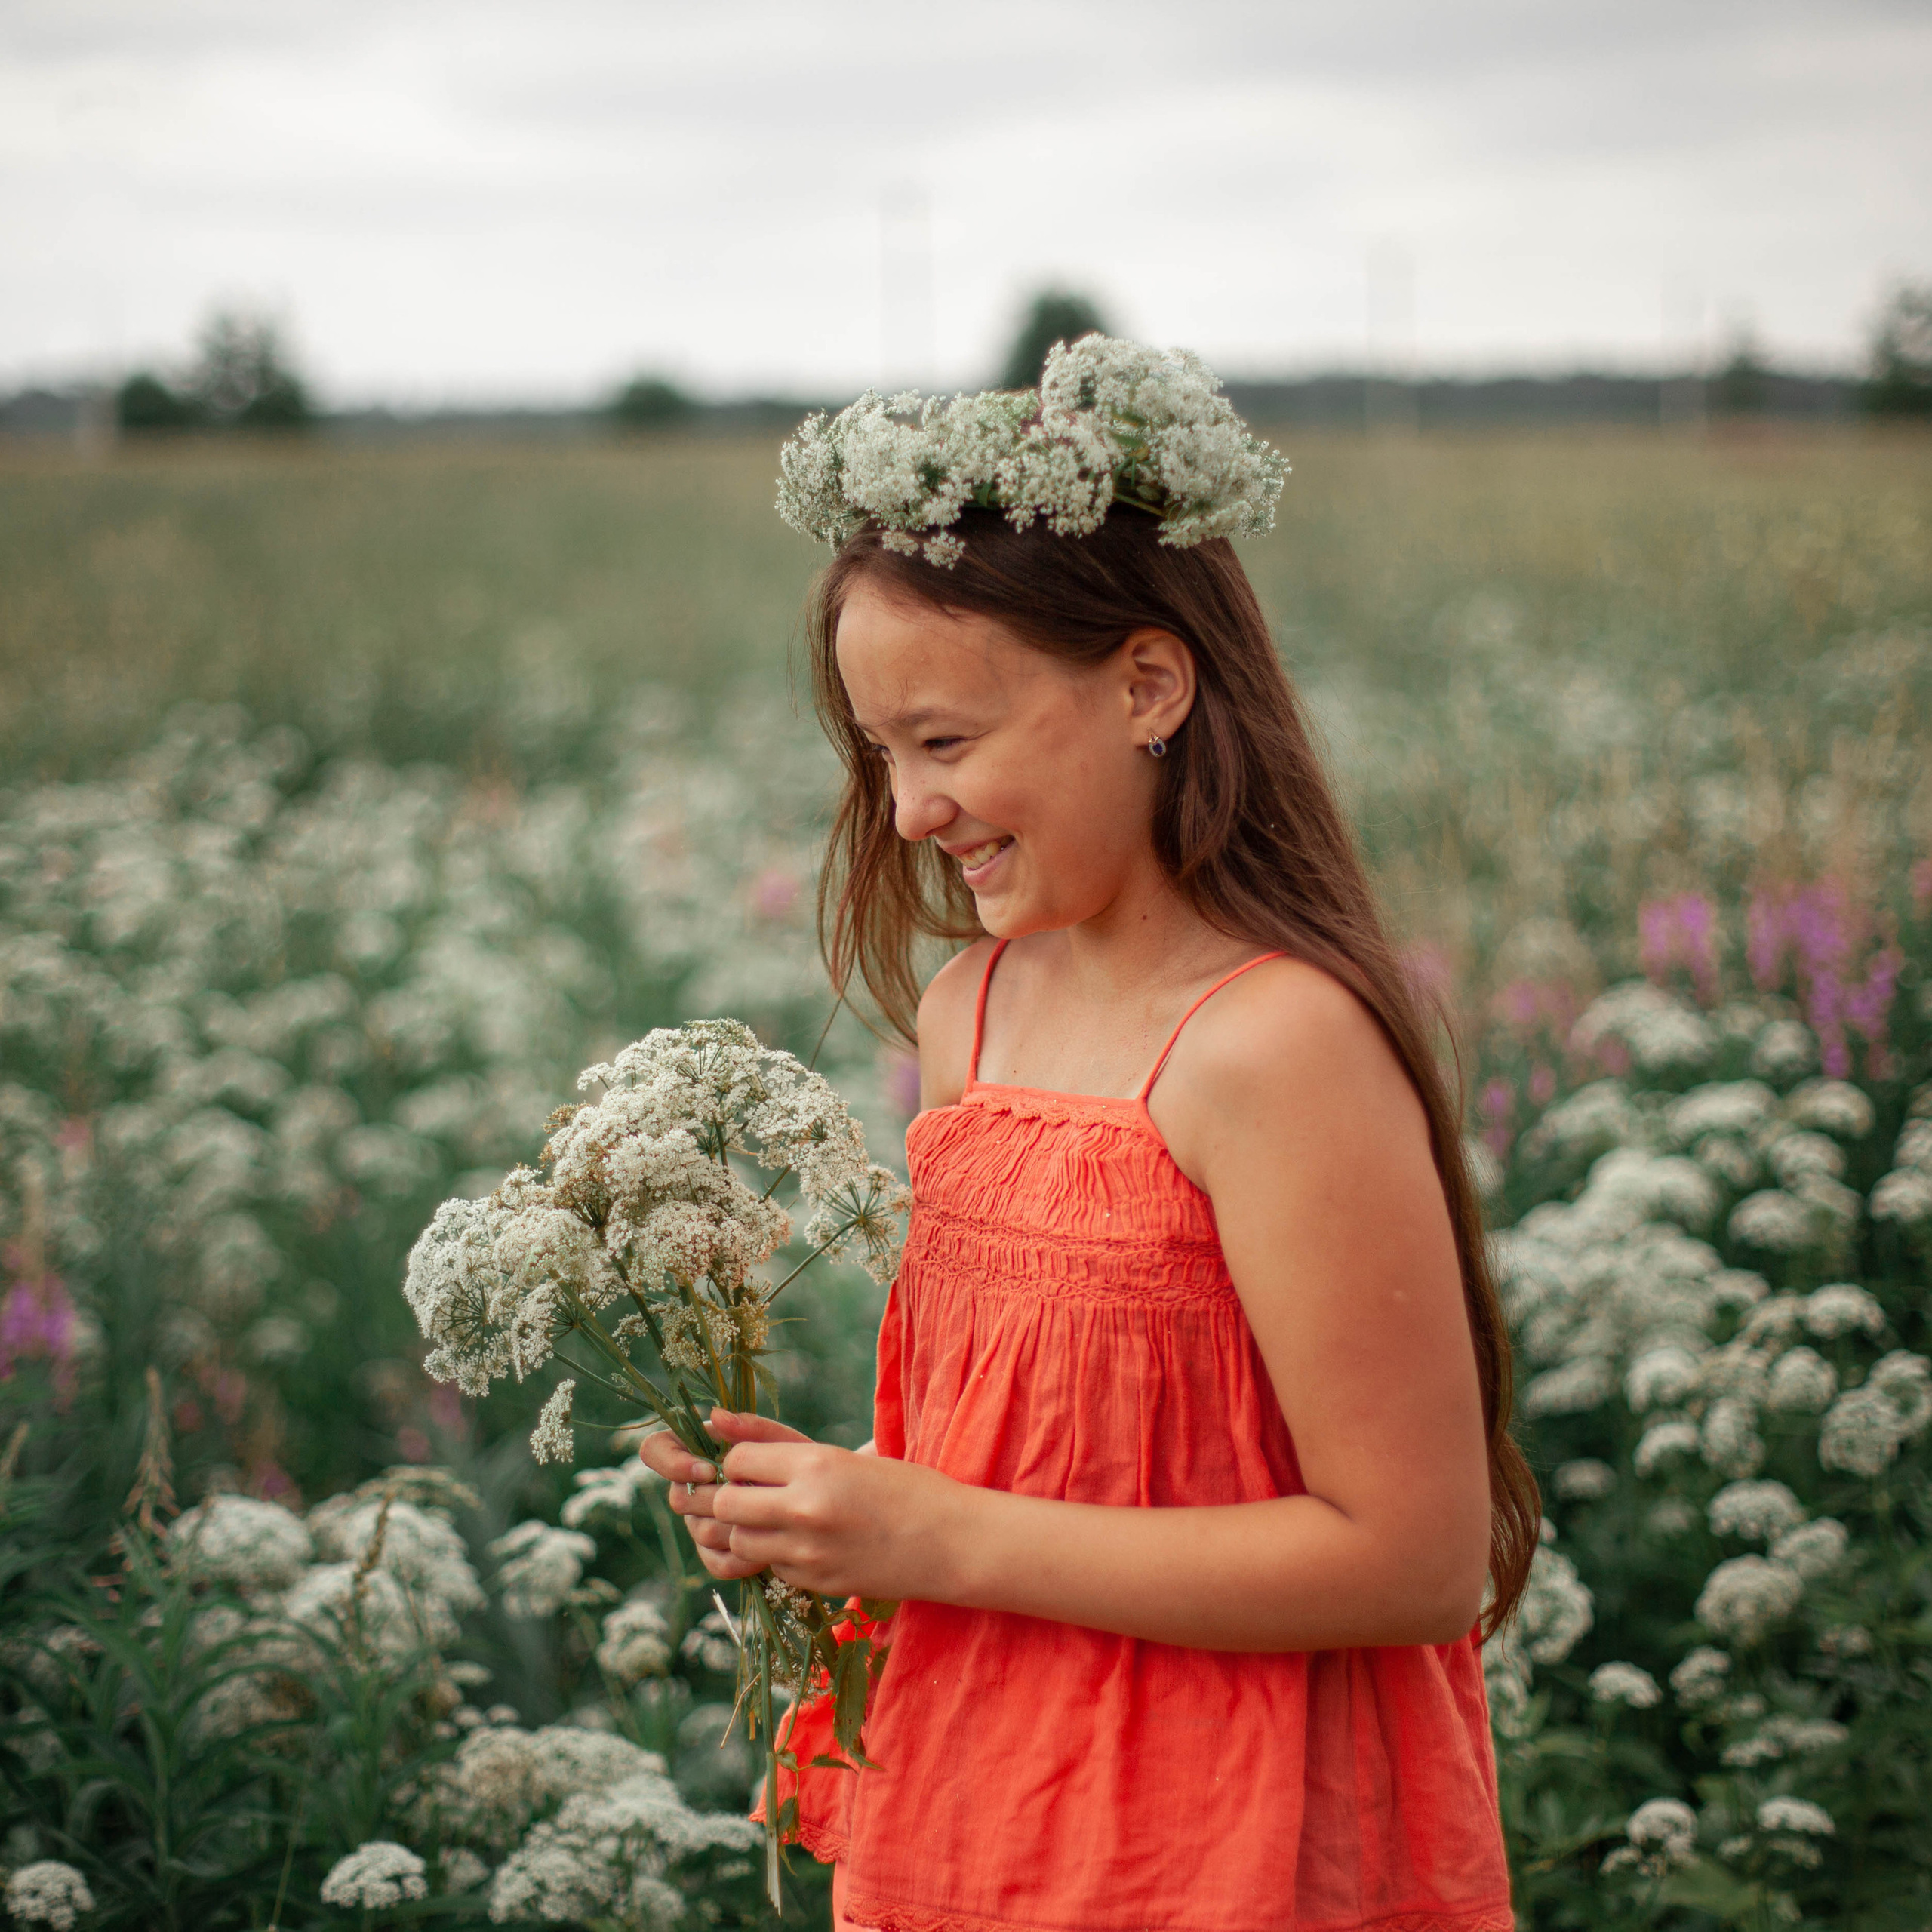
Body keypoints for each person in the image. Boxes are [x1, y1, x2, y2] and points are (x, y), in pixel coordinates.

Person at [641, 337, 1537, 1932]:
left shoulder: (1275, 1045)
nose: (906, 810)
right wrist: (829, 1511)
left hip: (1222, 1839)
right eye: (878, 754)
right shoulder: (970, 1014)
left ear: (1146, 687)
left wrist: (934, 1534)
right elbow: (1028, 1454)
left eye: (945, 741)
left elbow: (1412, 1558)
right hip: (976, 1807)